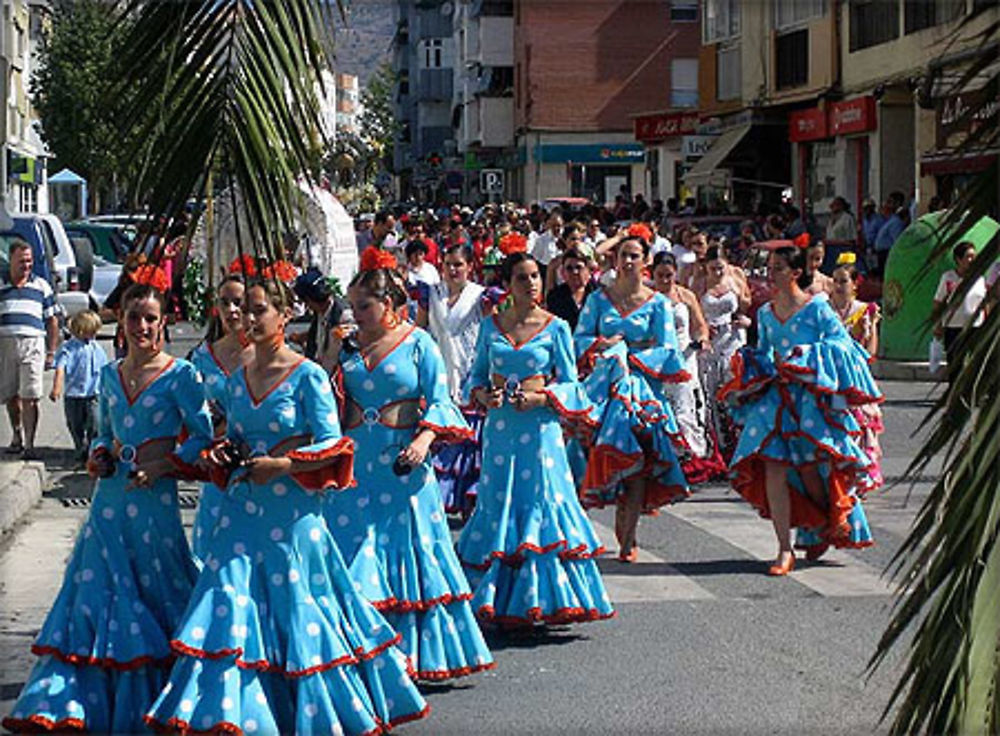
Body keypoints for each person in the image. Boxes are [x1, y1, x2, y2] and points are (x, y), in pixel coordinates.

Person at [146, 279, 429, 734]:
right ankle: (229, 713)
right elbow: (232, 439)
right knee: (228, 606)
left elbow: (335, 446)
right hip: (241, 514)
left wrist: (282, 464)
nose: (252, 319)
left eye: (261, 310)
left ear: (283, 315)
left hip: (295, 522)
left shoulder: (308, 375)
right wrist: (220, 453)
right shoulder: (238, 382)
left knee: (300, 618)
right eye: (247, 310)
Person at [3, 284, 214, 732]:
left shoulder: (182, 376)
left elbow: (202, 436)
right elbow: (104, 433)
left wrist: (163, 464)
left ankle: (163, 697)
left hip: (154, 504)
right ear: (122, 321)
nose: (142, 326)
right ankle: (83, 699)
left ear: (163, 323)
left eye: (151, 318)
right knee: (95, 592)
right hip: (109, 504)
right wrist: (98, 455)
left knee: (158, 591)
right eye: (135, 316)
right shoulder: (109, 375)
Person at [323, 268, 495, 680]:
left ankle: (413, 655)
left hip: (403, 463)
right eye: (352, 305)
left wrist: (423, 441)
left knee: (407, 553)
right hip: (356, 463)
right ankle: (362, 650)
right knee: (355, 554)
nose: (356, 314)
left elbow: (440, 400)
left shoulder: (419, 344)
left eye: (364, 305)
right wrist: (331, 357)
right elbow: (325, 401)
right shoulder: (348, 349)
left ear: (389, 304)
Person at [457, 252, 614, 626]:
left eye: (535, 277)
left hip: (540, 430)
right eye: (522, 278)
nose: (531, 284)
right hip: (499, 430)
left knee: (542, 501)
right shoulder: (490, 327)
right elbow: (475, 377)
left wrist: (542, 398)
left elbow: (571, 384)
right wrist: (483, 397)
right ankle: (496, 597)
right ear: (508, 286)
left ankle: (546, 598)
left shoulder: (557, 326)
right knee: (499, 502)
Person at [719, 246, 881, 575]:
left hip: (812, 398)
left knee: (812, 467)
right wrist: (751, 367)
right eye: (769, 268)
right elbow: (764, 352)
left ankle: (826, 520)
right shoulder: (765, 313)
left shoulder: (817, 307)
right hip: (776, 399)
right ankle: (783, 549)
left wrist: (805, 354)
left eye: (778, 268)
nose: (771, 273)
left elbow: (842, 347)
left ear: (795, 273)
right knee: (773, 467)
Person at [574, 232, 691, 562]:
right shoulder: (598, 299)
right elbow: (578, 338)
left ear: (646, 262)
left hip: (641, 389)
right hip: (605, 386)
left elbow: (669, 349)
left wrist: (634, 357)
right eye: (622, 255)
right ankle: (612, 523)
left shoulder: (658, 303)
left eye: (634, 256)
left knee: (638, 457)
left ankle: (629, 535)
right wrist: (601, 346)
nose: (627, 262)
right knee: (600, 452)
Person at [416, 244, 491, 515]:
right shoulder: (431, 294)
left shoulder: (481, 296)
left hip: (470, 373)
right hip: (438, 374)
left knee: (471, 447)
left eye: (458, 264)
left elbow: (490, 334)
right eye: (447, 264)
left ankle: (471, 509)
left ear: (470, 266)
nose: (452, 270)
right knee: (440, 442)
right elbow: (419, 331)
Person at [188, 275, 253, 562]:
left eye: (238, 302)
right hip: (217, 467)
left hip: (257, 465)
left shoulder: (268, 356)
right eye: (225, 302)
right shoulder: (201, 357)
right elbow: (188, 413)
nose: (231, 310)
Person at [651, 252, 724, 481]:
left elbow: (700, 325)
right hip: (658, 358)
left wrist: (702, 339)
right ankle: (664, 455)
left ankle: (690, 455)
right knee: (662, 406)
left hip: (685, 355)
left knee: (688, 408)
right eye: (660, 275)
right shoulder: (648, 297)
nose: (665, 280)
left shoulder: (686, 296)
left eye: (669, 275)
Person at [1, 240, 59, 460]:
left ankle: (30, 444)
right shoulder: (1, 284)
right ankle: (17, 436)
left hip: (33, 343)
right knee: (11, 395)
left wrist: (51, 351)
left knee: (30, 395)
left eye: (29, 261)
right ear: (11, 260)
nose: (26, 265)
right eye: (22, 261)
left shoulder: (41, 285)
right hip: (5, 343)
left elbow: (52, 320)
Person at [831, 254, 884, 494]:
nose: (839, 286)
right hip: (832, 374)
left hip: (856, 375)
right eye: (836, 281)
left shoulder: (863, 311)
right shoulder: (826, 310)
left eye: (843, 281)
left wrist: (868, 329)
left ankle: (859, 476)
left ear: (855, 284)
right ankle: (838, 475)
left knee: (860, 425)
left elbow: (871, 352)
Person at [698, 247, 749, 460]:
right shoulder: (698, 282)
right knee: (712, 393)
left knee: (734, 389)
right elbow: (694, 311)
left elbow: (746, 306)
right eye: (713, 269)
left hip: (733, 340)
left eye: (721, 268)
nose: (718, 273)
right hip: (711, 343)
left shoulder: (735, 279)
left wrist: (744, 320)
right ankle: (719, 444)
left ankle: (740, 441)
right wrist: (703, 329)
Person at [49, 310, 108, 465]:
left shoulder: (96, 348)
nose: (95, 333)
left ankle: (92, 451)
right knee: (75, 424)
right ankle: (80, 448)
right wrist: (57, 388)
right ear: (82, 330)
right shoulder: (68, 348)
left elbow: (105, 370)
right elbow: (60, 368)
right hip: (74, 394)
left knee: (95, 423)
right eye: (92, 330)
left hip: (94, 394)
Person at [933, 241, 987, 382]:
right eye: (968, 256)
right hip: (953, 328)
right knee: (955, 364)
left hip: (975, 327)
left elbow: (984, 302)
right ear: (958, 259)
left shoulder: (979, 279)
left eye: (974, 256)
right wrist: (938, 324)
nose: (972, 260)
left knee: (974, 364)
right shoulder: (948, 278)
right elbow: (938, 302)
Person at [291, 267, 352, 371]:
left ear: (310, 301)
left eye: (306, 303)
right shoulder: (320, 313)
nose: (307, 307)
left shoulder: (344, 316)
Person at [546, 247, 596, 331]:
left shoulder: (598, 295)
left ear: (588, 271)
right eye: (569, 268)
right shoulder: (555, 297)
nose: (574, 272)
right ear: (563, 273)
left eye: (579, 267)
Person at [873, 191, 907, 275]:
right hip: (881, 254)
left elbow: (897, 240)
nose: (884, 206)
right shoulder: (887, 221)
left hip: (888, 254)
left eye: (889, 203)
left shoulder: (896, 222)